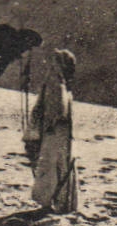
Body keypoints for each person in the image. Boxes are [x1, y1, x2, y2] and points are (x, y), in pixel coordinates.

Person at [23, 48, 79, 213]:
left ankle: (50, 200)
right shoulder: (60, 83)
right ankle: (59, 201)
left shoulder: (56, 84)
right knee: (58, 164)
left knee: (51, 164)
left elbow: (56, 110)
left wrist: (46, 127)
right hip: (59, 132)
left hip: (53, 131)